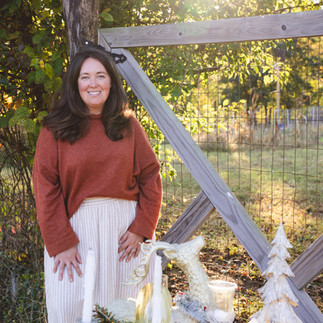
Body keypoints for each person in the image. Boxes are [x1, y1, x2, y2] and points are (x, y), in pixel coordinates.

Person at [32, 44, 162, 322]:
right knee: (70, 306)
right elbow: (45, 187)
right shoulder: (54, 128)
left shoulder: (128, 125)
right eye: (85, 76)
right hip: (74, 233)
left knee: (125, 307)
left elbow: (151, 176)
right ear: (75, 83)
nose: (93, 83)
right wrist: (60, 242)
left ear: (111, 83)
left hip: (124, 234)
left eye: (101, 76)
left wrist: (142, 227)